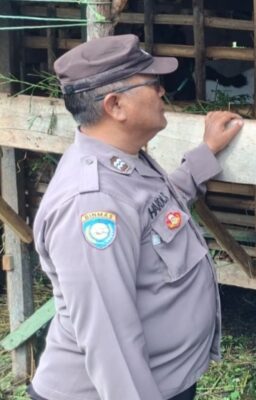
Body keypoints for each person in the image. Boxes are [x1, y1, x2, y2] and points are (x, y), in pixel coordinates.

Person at [27, 34, 243, 400]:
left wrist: (205, 154)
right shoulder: (92, 204)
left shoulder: (125, 162)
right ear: (116, 106)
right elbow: (110, 341)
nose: (163, 91)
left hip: (163, 381)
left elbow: (158, 209)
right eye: (152, 83)